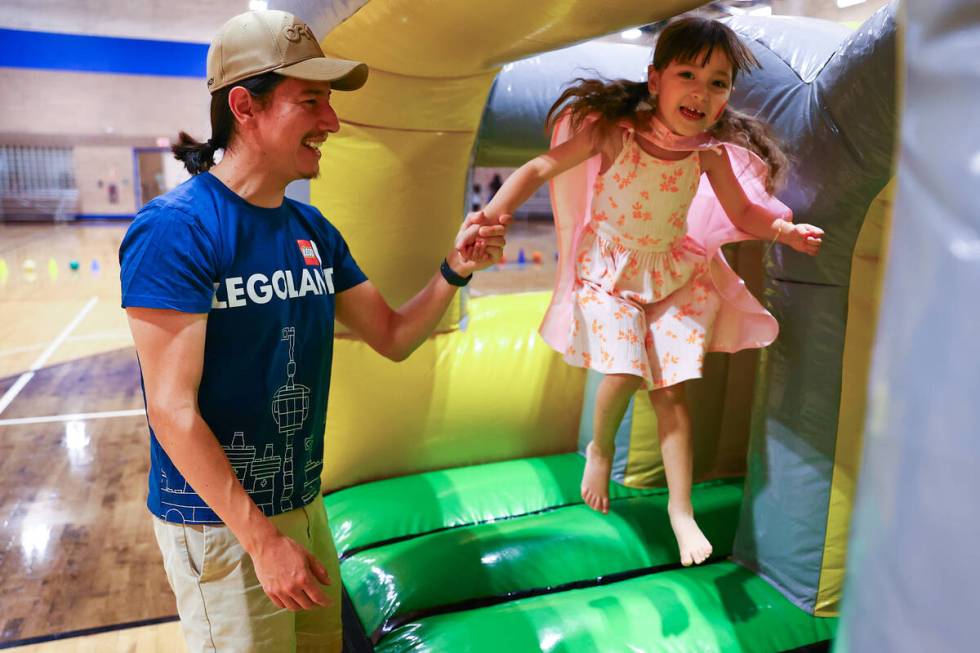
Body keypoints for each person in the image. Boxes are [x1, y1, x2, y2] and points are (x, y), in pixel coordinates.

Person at [119, 10, 507, 652]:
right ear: (244, 106)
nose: (331, 122)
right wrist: (262, 542)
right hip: (222, 523)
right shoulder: (177, 230)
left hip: (303, 502)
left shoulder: (312, 231)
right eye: (311, 102)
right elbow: (171, 410)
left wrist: (455, 269)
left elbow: (393, 334)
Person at [478, 16, 822, 567]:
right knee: (624, 368)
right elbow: (541, 166)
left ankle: (681, 511)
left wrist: (783, 230)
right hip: (609, 270)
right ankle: (600, 446)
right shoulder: (618, 134)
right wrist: (492, 215)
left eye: (718, 83)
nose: (702, 93)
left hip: (669, 273)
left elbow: (742, 212)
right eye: (688, 74)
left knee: (673, 392)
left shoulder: (708, 153)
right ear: (655, 79)